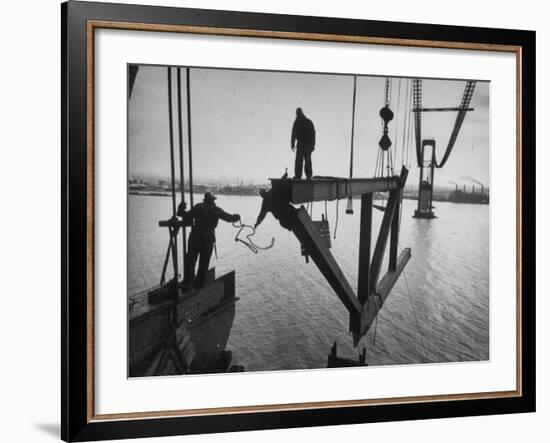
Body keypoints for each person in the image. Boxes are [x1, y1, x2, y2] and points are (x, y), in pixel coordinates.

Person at [177, 191, 240, 288]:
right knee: (204, 262)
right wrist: (236, 217)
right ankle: (198, 284)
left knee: (191, 259)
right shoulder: (216, 210)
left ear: (205, 199)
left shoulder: (198, 207)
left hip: (196, 236)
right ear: (213, 200)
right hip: (208, 237)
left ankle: (187, 282)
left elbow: (185, 215)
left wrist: (181, 209)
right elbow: (228, 218)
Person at [291, 107, 316, 180]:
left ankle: (308, 175)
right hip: (301, 144)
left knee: (307, 160)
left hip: (307, 144)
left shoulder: (308, 122)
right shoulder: (297, 122)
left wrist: (312, 145)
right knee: (299, 160)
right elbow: (294, 133)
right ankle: (299, 175)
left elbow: (313, 134)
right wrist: (292, 143)